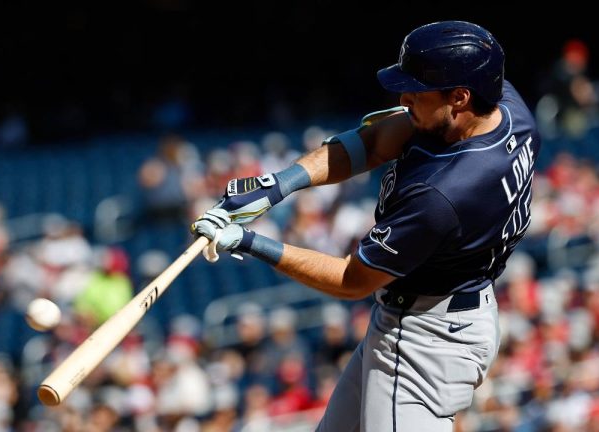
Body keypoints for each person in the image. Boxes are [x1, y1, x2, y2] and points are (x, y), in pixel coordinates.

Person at [191, 21, 541, 431]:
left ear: (460, 96)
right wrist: (275, 186)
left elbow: (352, 280)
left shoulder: (444, 193)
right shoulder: (505, 108)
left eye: (417, 90)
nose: (403, 97)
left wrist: (250, 242)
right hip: (439, 313)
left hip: (423, 340)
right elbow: (375, 142)